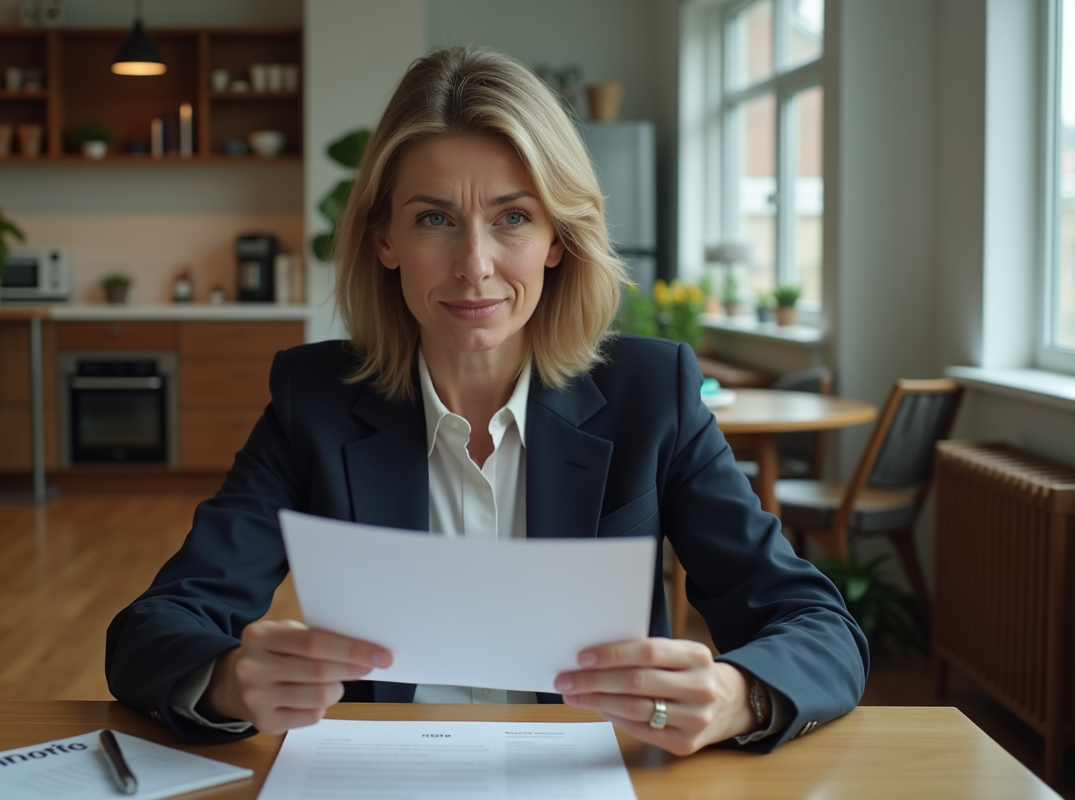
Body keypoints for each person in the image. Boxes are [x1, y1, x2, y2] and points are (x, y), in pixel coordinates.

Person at [106, 46, 867, 756]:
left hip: (581, 780)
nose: (475, 265)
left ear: (558, 239)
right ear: (385, 241)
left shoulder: (650, 395)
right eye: (435, 218)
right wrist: (230, 680)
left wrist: (737, 696)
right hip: (382, 778)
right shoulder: (316, 402)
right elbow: (151, 631)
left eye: (513, 217)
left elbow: (817, 627)